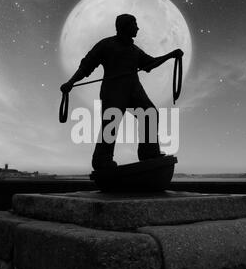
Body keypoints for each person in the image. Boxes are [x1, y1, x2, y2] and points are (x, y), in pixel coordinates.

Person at [61, 14, 183, 170]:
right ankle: (101, 160)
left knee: (150, 113)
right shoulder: (106, 45)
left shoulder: (135, 50)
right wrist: (70, 82)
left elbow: (150, 64)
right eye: (134, 24)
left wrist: (171, 55)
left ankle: (149, 153)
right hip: (113, 90)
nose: (138, 28)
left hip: (134, 89)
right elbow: (87, 66)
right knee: (111, 123)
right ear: (124, 26)